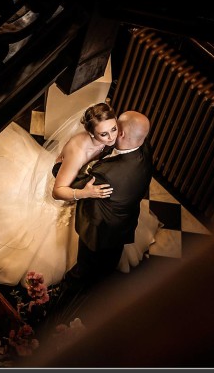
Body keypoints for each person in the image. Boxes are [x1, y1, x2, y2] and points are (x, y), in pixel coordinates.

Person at [0, 103, 158, 288]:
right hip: (66, 191)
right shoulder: (79, 149)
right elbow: (58, 191)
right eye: (104, 134)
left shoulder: (113, 142)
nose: (111, 138)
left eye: (114, 129)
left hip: (83, 189)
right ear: (92, 134)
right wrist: (84, 192)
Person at [59, 110, 153, 288]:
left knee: (87, 265)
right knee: (110, 258)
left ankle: (73, 285)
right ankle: (106, 274)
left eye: (114, 129)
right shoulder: (145, 147)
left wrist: (58, 168)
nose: (110, 136)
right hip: (125, 219)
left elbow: (73, 184)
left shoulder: (106, 174)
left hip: (100, 228)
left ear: (122, 133)